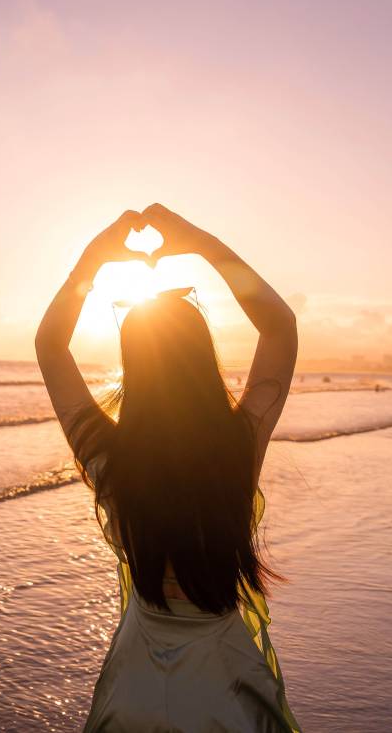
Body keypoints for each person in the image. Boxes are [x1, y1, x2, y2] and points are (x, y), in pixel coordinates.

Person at [36, 204, 300, 732]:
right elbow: (280, 327)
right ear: (203, 358)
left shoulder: (111, 457)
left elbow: (49, 346)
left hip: (135, 682)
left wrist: (94, 259)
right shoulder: (237, 447)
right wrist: (200, 242)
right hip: (221, 684)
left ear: (133, 366)